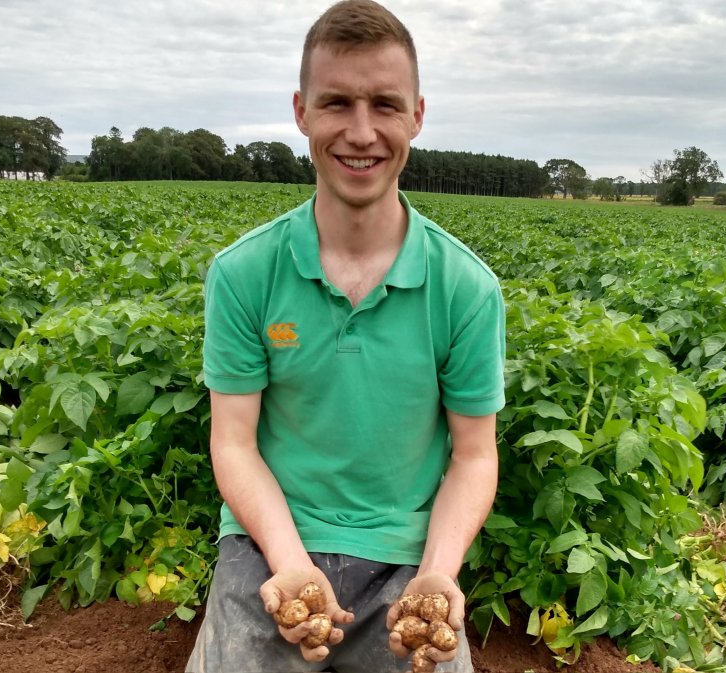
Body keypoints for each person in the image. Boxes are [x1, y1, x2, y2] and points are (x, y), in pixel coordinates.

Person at [185, 1, 505, 671]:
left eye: (385, 105)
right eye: (337, 103)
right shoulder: (244, 274)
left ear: (417, 115)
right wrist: (290, 560)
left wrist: (441, 572)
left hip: (407, 560)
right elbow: (234, 441)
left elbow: (474, 455)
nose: (362, 132)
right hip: (268, 546)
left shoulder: (466, 288)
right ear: (302, 111)